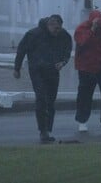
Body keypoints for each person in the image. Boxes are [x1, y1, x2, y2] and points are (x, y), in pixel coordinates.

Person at [13, 14, 72, 143]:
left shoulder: (63, 35)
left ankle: (48, 128)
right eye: (55, 29)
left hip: (53, 70)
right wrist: (17, 68)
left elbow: (68, 49)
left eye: (59, 28)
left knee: (51, 101)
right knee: (41, 98)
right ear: (49, 25)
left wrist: (63, 62)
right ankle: (43, 131)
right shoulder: (33, 34)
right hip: (37, 70)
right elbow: (21, 50)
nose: (57, 32)